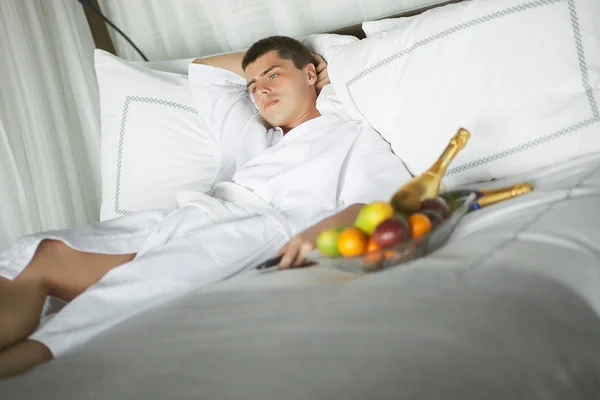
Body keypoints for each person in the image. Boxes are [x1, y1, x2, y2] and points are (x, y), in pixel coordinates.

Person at [0, 36, 411, 378]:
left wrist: (316, 231)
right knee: (41, 255)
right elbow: (206, 71)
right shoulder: (252, 139)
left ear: (309, 75)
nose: (261, 90)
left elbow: (382, 202)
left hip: (250, 232)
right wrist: (279, 63)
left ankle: (25, 362)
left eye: (272, 76)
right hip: (188, 216)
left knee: (112, 305)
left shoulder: (351, 135)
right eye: (252, 86)